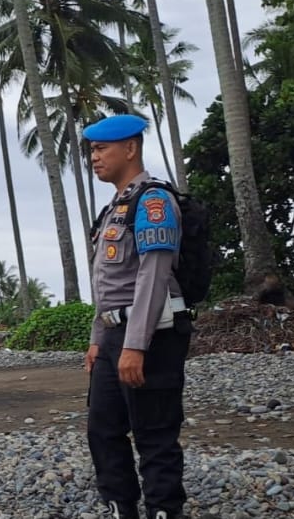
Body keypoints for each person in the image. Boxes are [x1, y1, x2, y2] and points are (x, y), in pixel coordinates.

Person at [83, 114, 190, 519]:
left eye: (102, 148)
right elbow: (107, 282)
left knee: (154, 433)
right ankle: (120, 506)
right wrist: (98, 339)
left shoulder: (154, 200)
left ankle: (164, 511)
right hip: (114, 335)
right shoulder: (115, 207)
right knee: (103, 429)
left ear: (130, 149)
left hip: (151, 335)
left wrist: (135, 346)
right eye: (92, 150)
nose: (94, 157)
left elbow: (154, 276)